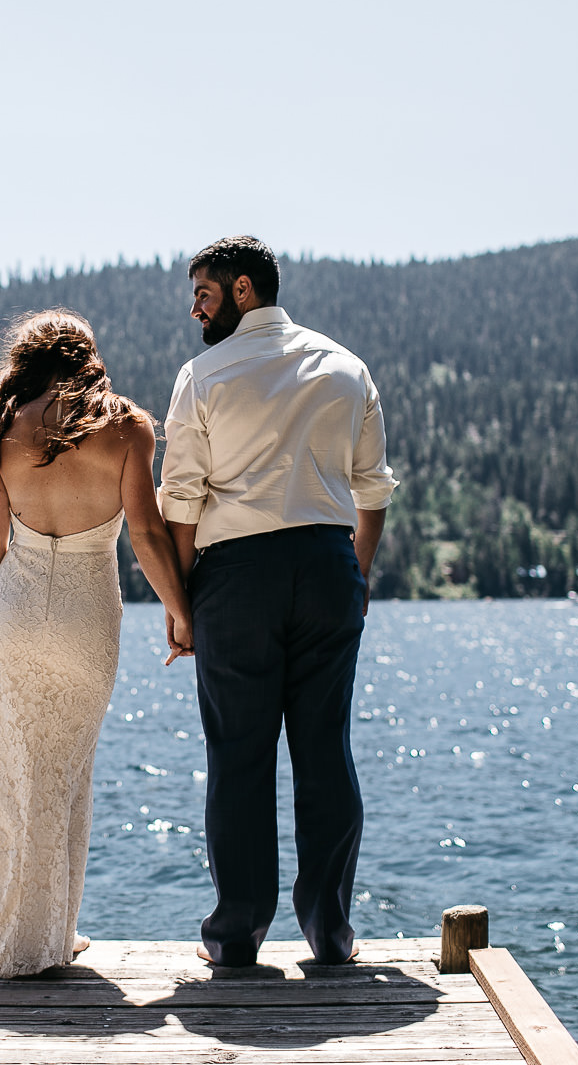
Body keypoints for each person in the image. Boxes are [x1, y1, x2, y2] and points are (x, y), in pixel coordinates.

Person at [0, 309, 194, 978]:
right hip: (85, 614)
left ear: (26, 361)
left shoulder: (2, 427)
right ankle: (47, 935)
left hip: (14, 608)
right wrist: (180, 613)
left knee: (6, 769)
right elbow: (149, 535)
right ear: (87, 356)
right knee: (66, 772)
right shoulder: (128, 427)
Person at [158, 235, 397, 967]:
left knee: (238, 755)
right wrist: (354, 575)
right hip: (328, 567)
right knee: (326, 749)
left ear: (242, 290)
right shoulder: (345, 366)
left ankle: (236, 938)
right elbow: (374, 488)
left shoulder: (202, 376)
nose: (193, 308)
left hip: (236, 576)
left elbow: (182, 501)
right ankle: (330, 933)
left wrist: (180, 603)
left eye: (203, 291)